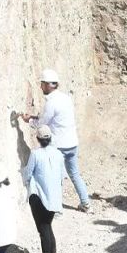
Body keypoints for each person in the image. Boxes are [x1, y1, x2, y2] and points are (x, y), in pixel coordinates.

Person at [21, 68, 91, 213]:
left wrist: (29, 120)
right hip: (72, 143)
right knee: (74, 174)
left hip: (59, 145)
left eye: (42, 84)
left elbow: (43, 123)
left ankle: (56, 208)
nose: (41, 87)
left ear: (48, 85)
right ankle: (86, 203)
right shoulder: (65, 98)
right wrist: (35, 117)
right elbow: (52, 118)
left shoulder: (51, 103)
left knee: (54, 176)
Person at [22, 125, 65, 253]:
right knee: (48, 225)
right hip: (54, 198)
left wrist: (25, 179)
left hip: (39, 195)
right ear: (50, 138)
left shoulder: (35, 154)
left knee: (43, 228)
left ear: (38, 139)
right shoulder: (59, 154)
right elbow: (62, 176)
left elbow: (28, 173)